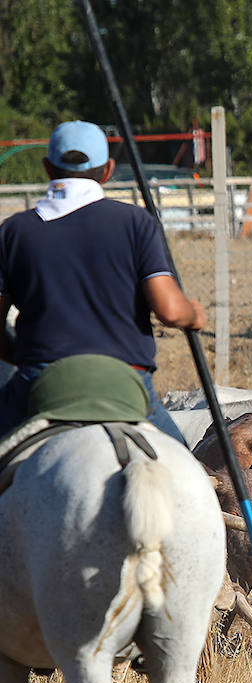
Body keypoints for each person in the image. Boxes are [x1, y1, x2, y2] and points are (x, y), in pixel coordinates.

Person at [0, 120, 206, 442]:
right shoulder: (136, 222)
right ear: (108, 170)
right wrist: (193, 313)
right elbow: (170, 310)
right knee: (189, 471)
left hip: (42, 380)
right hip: (126, 381)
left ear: (47, 168)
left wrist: (19, 354)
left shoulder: (13, 231)